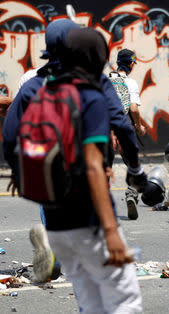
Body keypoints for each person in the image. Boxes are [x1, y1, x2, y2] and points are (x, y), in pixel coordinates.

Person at [9, 27, 143, 312]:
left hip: (54, 210)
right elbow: (99, 160)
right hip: (88, 207)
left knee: (88, 295)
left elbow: (10, 135)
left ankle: (51, 244)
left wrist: (17, 173)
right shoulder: (93, 91)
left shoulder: (33, 83)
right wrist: (135, 172)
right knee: (124, 298)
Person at [110, 48, 147, 220]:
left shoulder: (105, 80)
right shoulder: (130, 83)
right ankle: (131, 193)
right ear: (131, 64)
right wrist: (139, 126)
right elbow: (133, 108)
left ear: (118, 63)